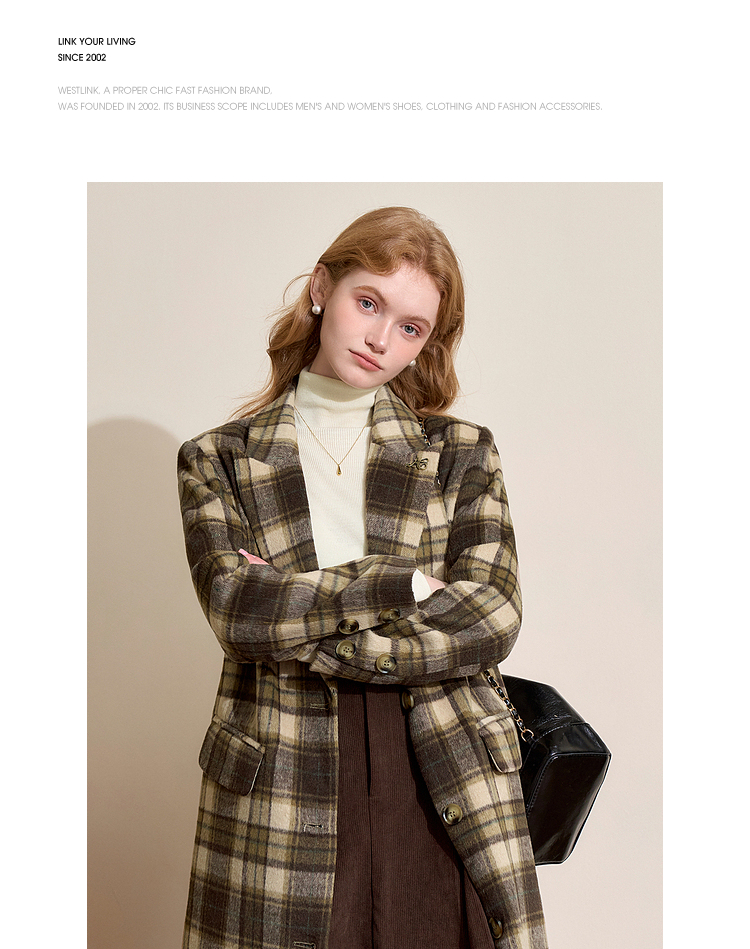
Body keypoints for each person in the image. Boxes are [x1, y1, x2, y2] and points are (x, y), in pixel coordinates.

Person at [177, 207, 548, 949]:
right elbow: (239, 612)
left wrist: (301, 618)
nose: (381, 339)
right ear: (322, 288)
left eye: (411, 327)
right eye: (368, 302)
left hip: (441, 761)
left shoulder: (460, 453)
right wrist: (396, 585)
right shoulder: (219, 458)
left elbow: (492, 614)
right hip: (283, 769)